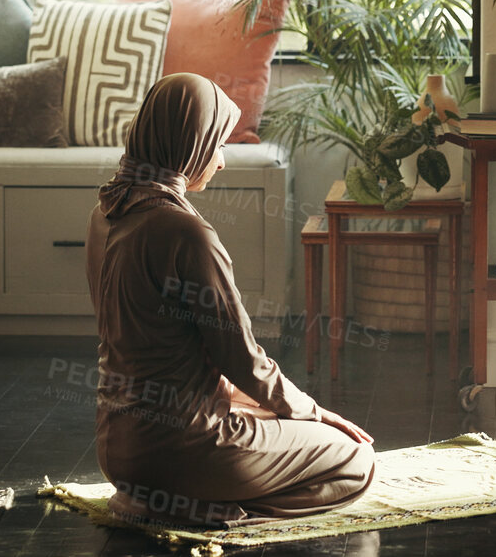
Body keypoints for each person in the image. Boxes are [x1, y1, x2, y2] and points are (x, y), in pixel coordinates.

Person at [87, 73, 375, 526]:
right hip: (182, 451)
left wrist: (277, 408)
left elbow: (178, 356)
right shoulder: (186, 233)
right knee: (356, 460)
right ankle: (201, 507)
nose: (220, 162)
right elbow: (244, 361)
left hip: (117, 451)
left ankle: (154, 498)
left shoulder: (104, 214)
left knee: (265, 410)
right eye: (217, 144)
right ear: (189, 145)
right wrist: (314, 412)